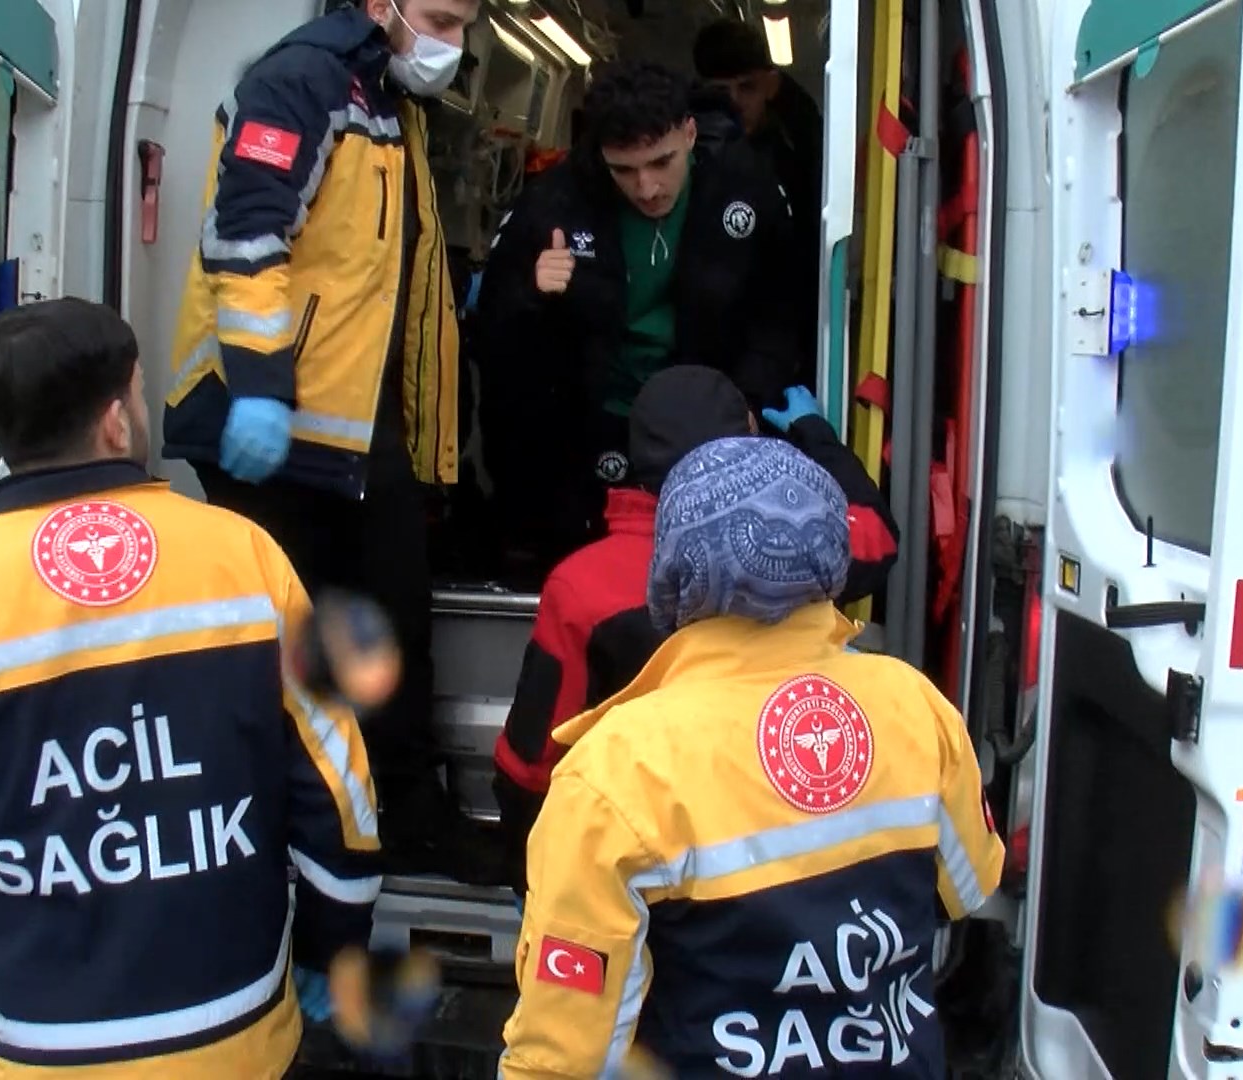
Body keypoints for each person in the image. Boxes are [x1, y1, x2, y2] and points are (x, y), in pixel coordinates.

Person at [0, 298, 380, 1076]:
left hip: (36, 1051)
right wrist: (331, 948)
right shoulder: (246, 557)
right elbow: (342, 796)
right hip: (237, 1036)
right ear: (116, 421)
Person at [498, 436, 1003, 1079]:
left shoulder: (615, 773)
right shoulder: (914, 705)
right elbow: (968, 887)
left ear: (675, 565)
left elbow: (565, 1057)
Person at [161, 0, 484, 878]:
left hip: (345, 432)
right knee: (290, 657)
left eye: (464, 24)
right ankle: (290, 843)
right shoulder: (302, 82)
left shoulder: (387, 101)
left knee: (388, 634)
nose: (450, 43)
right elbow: (246, 237)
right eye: (440, 19)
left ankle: (393, 826)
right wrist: (261, 392)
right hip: (267, 428)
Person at [489, 366, 899, 892]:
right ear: (748, 445)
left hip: (632, 859)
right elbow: (875, 536)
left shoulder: (581, 585)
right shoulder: (796, 549)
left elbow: (531, 761)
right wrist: (815, 435)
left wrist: (535, 877)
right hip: (765, 855)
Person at [474, 59, 807, 568]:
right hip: (595, 423)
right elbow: (496, 338)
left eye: (661, 163)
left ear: (690, 133)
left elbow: (780, 316)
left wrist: (748, 405)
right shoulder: (558, 202)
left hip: (708, 424)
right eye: (625, 170)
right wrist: (532, 291)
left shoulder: (745, 188)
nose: (647, 187)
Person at [693, 18, 825, 250]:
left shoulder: (796, 155)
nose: (735, 102)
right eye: (719, 91)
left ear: (771, 86)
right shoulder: (686, 158)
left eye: (747, 87)